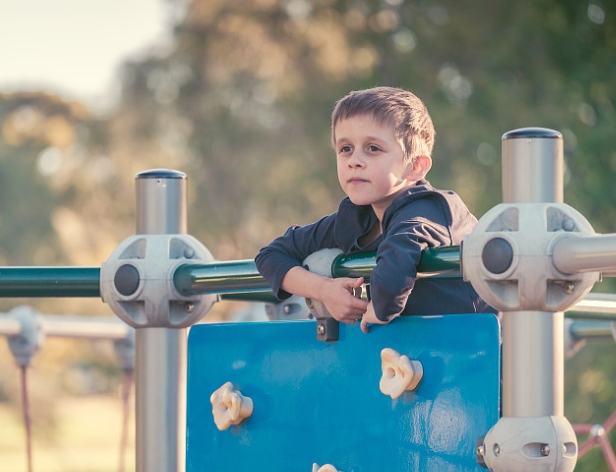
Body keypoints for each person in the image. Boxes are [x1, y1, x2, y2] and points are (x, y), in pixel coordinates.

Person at [255, 86, 492, 333]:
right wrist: (326, 290)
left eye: (373, 148)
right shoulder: (353, 218)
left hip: (478, 353)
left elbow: (399, 258)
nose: (354, 160)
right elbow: (271, 255)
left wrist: (377, 309)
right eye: (345, 148)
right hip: (413, 357)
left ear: (416, 167)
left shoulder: (430, 210)